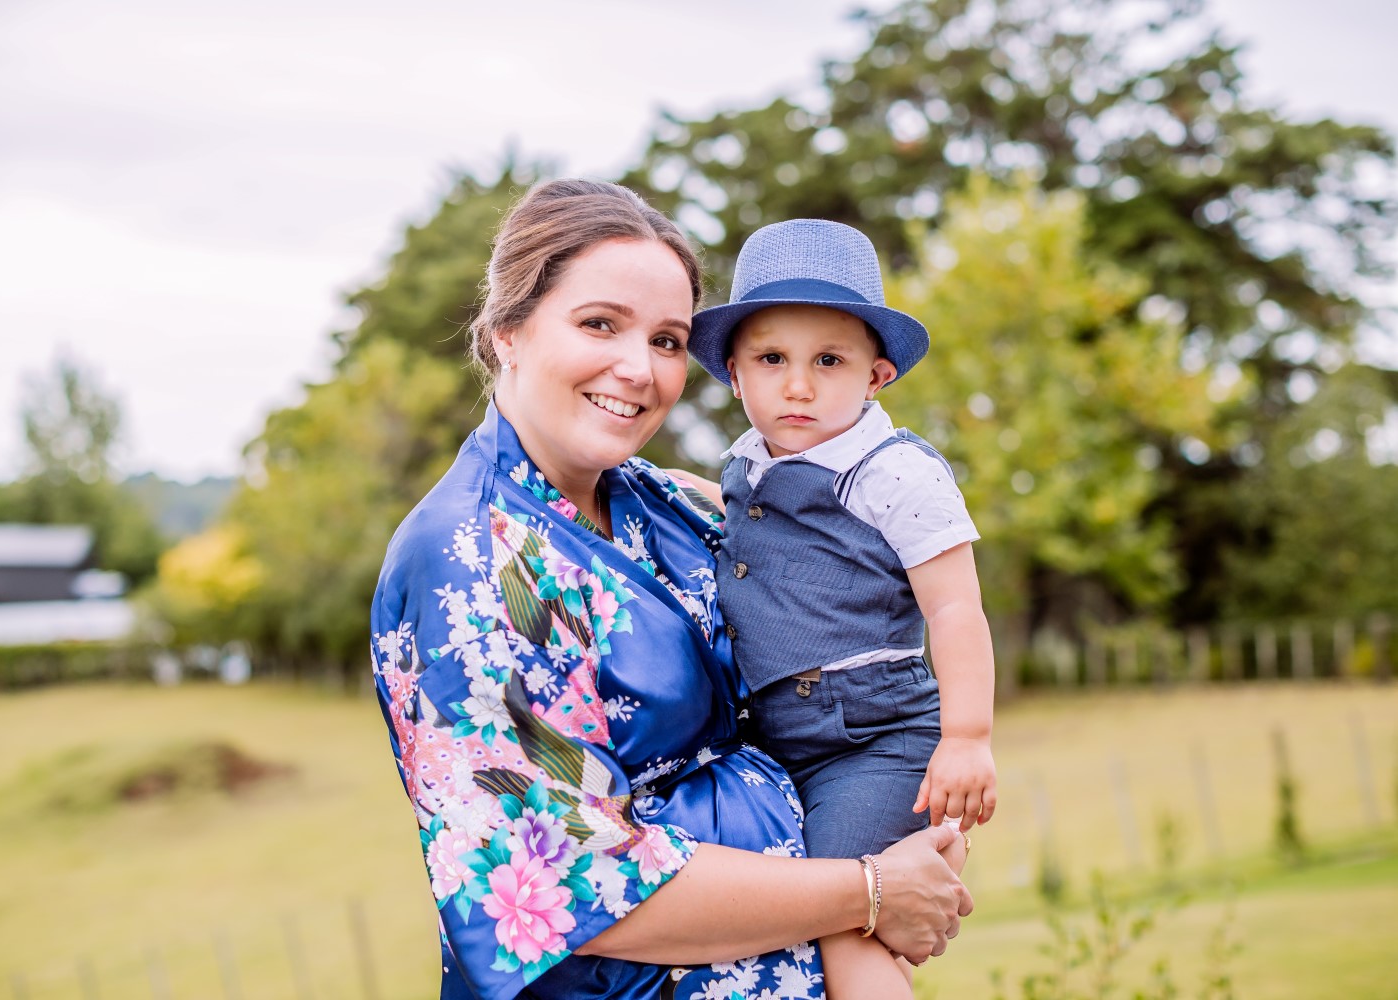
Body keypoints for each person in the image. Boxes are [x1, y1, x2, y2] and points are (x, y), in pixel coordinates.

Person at [370, 179, 972, 1000]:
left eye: (665, 339)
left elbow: (837, 657)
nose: (638, 368)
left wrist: (917, 821)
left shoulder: (677, 504)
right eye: (600, 324)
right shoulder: (471, 560)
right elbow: (561, 886)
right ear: (508, 329)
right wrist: (870, 891)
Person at [687, 219, 999, 999]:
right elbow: (750, 540)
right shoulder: (745, 468)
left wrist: (966, 737)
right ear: (734, 375)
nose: (798, 385)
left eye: (829, 360)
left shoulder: (893, 473)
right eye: (771, 359)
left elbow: (956, 607)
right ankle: (920, 884)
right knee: (798, 917)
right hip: (776, 739)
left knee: (844, 913)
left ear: (876, 377)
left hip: (872, 736)